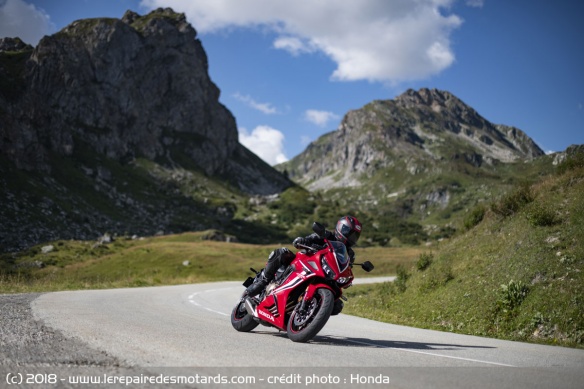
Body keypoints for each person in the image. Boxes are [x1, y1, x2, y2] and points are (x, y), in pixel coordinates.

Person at [245, 215, 362, 297]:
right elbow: (310, 238)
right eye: (350, 233)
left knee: (337, 305)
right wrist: (302, 241)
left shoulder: (349, 253)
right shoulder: (325, 235)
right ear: (341, 228)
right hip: (306, 262)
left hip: (324, 274)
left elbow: (346, 266)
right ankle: (263, 281)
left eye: (355, 236)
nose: (352, 238)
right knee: (281, 253)